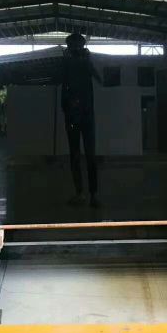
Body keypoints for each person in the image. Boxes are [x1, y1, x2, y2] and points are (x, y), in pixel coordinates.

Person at [60, 32, 102, 207]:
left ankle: (88, 194)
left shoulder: (83, 63)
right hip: (77, 115)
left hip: (81, 115)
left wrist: (85, 61)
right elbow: (59, 80)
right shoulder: (69, 63)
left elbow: (99, 78)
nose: (76, 49)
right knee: (80, 156)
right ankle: (86, 194)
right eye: (73, 46)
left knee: (83, 156)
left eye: (78, 46)